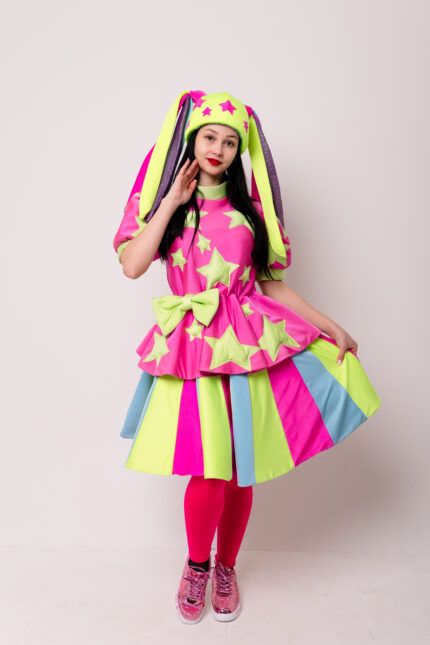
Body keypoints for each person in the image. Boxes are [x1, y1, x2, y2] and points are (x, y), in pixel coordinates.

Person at [113, 90, 381, 625]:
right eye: (210, 136)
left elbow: (269, 283)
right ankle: (196, 565)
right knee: (208, 469)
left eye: (230, 141)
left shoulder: (249, 213)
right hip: (194, 349)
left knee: (239, 469)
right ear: (192, 140)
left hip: (246, 342)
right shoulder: (165, 208)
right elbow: (133, 265)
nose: (218, 148)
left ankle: (226, 567)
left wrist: (329, 325)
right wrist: (170, 202)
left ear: (241, 152)